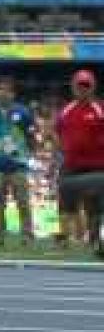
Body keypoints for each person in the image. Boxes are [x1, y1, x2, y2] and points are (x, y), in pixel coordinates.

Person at [0, 76, 37, 244]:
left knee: (23, 201)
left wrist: (25, 156)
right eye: (0, 89)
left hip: (18, 166)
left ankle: (27, 235)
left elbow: (31, 136)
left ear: (13, 94)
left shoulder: (24, 112)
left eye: (7, 90)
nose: (3, 93)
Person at [55, 69, 104, 252]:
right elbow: (57, 131)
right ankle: (65, 240)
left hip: (95, 168)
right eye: (79, 85)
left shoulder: (100, 110)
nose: (83, 89)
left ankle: (93, 240)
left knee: (94, 206)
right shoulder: (66, 111)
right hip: (71, 166)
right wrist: (62, 149)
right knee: (65, 203)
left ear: (93, 88)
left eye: (87, 86)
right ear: (73, 87)